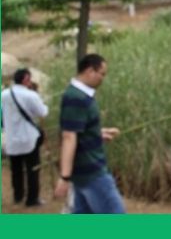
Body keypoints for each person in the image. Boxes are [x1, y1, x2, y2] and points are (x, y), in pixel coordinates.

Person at [53, 54, 125, 214]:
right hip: (92, 173)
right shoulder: (76, 97)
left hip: (83, 174)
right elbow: (69, 136)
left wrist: (97, 134)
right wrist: (64, 177)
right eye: (102, 74)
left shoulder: (80, 95)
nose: (103, 79)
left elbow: (78, 130)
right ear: (90, 71)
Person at [1, 68, 48, 207]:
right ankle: (32, 199)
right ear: (26, 79)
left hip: (11, 139)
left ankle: (18, 196)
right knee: (32, 169)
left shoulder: (4, 94)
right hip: (29, 139)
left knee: (16, 170)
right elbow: (43, 112)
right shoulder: (30, 95)